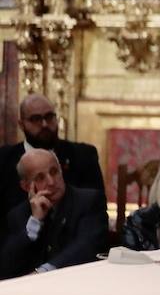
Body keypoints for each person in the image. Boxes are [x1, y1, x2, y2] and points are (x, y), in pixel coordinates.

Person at [0, 94, 105, 236]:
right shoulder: (4, 159)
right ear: (21, 124)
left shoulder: (83, 155)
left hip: (72, 246)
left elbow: (96, 210)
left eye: (49, 117)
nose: (44, 124)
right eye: (36, 119)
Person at [1, 149, 108, 278]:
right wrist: (34, 222)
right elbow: (6, 265)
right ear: (26, 186)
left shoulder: (89, 201)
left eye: (54, 172)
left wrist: (41, 273)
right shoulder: (18, 215)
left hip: (78, 284)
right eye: (40, 177)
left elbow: (86, 247)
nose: (51, 182)